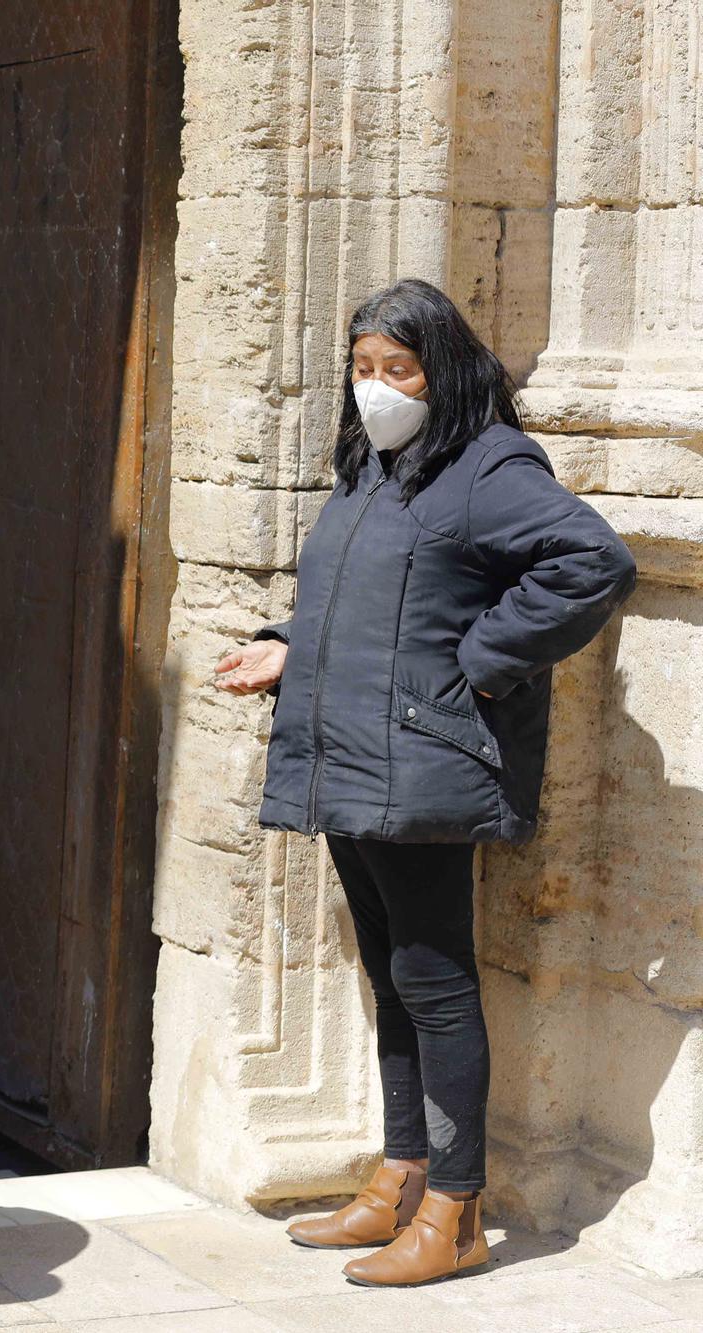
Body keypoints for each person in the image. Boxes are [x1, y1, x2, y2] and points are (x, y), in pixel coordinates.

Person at [213, 278, 636, 1287]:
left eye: (394, 369)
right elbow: (357, 594)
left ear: (439, 368)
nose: (374, 388)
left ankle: (455, 1208)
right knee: (389, 974)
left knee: (435, 985)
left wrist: (480, 659)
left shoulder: (486, 463)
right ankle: (399, 1174)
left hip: (420, 757)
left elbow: (589, 561)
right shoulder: (370, 466)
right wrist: (285, 643)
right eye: (361, 368)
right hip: (346, 748)